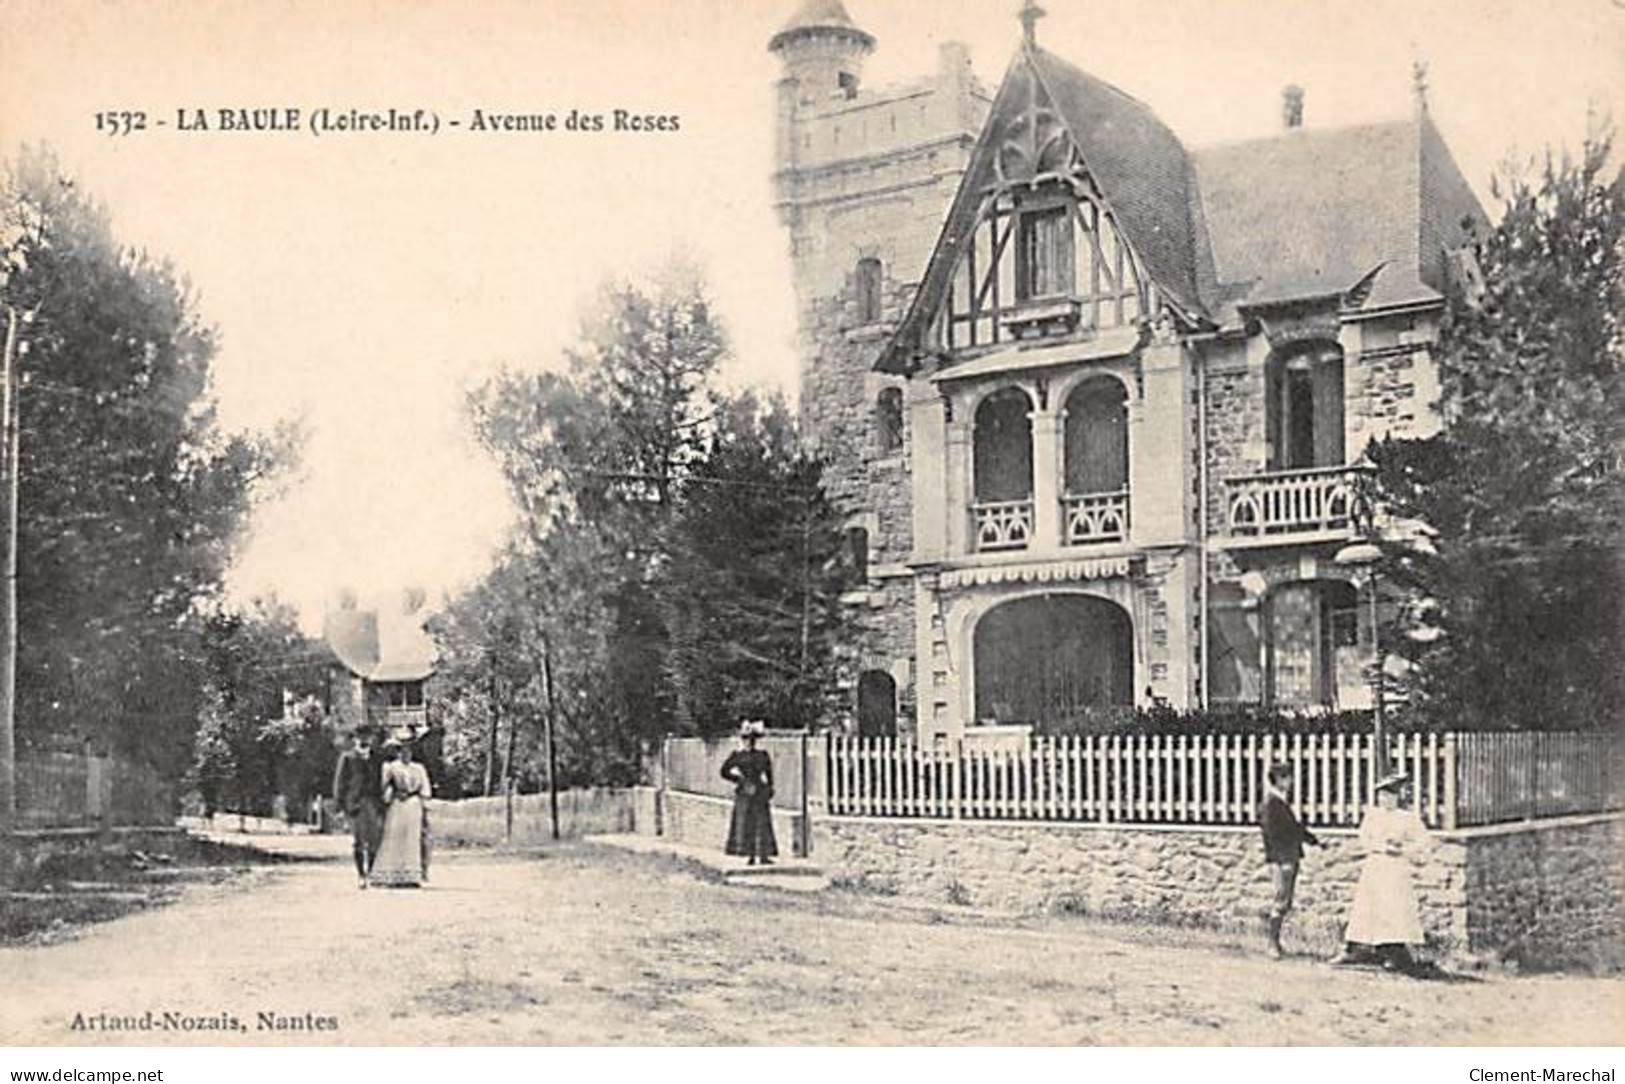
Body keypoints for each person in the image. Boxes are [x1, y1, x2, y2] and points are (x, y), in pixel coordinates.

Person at [1334, 771, 1428, 972]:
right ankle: (1355, 948)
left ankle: (1393, 951)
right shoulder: (1372, 816)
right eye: (1382, 795)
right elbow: (1364, 840)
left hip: (1395, 869)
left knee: (1393, 908)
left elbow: (1422, 841)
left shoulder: (1407, 818)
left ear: (1397, 797)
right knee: (1367, 906)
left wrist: (1403, 849)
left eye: (1390, 795)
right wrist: (1380, 847)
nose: (1385, 799)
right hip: (1375, 866)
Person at [1257, 762, 1326, 958]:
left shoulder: (1280, 802)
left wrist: (1314, 841)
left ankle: (1275, 942)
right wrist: (1283, 860)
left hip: (1289, 856)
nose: (1290, 781)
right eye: (1286, 777)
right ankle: (1272, 944)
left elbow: (1295, 828)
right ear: (1278, 780)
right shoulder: (1271, 804)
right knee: (1281, 899)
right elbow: (1272, 835)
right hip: (1283, 858)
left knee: (1285, 901)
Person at [371, 738, 433, 887]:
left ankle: (411, 876)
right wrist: (392, 793)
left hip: (413, 804)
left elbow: (425, 788)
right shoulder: (391, 768)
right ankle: (391, 875)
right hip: (397, 804)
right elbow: (383, 787)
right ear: (397, 752)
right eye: (402, 751)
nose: (406, 754)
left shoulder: (418, 768)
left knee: (412, 838)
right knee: (394, 836)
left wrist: (423, 802)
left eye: (408, 751)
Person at [331, 725, 385, 889]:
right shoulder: (348, 757)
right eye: (361, 737)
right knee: (359, 841)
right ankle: (361, 875)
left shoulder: (377, 758)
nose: (364, 740)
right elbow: (340, 783)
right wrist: (340, 806)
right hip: (356, 804)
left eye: (367, 737)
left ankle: (371, 872)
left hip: (374, 803)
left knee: (375, 840)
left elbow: (382, 780)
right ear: (355, 739)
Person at [721, 720, 777, 866]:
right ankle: (750, 855)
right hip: (745, 794)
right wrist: (739, 780)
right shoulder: (737, 756)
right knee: (747, 824)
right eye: (746, 739)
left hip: (759, 792)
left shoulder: (762, 755)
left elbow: (769, 773)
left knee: (762, 824)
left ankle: (764, 855)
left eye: (751, 739)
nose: (749, 742)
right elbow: (724, 771)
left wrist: (769, 787)